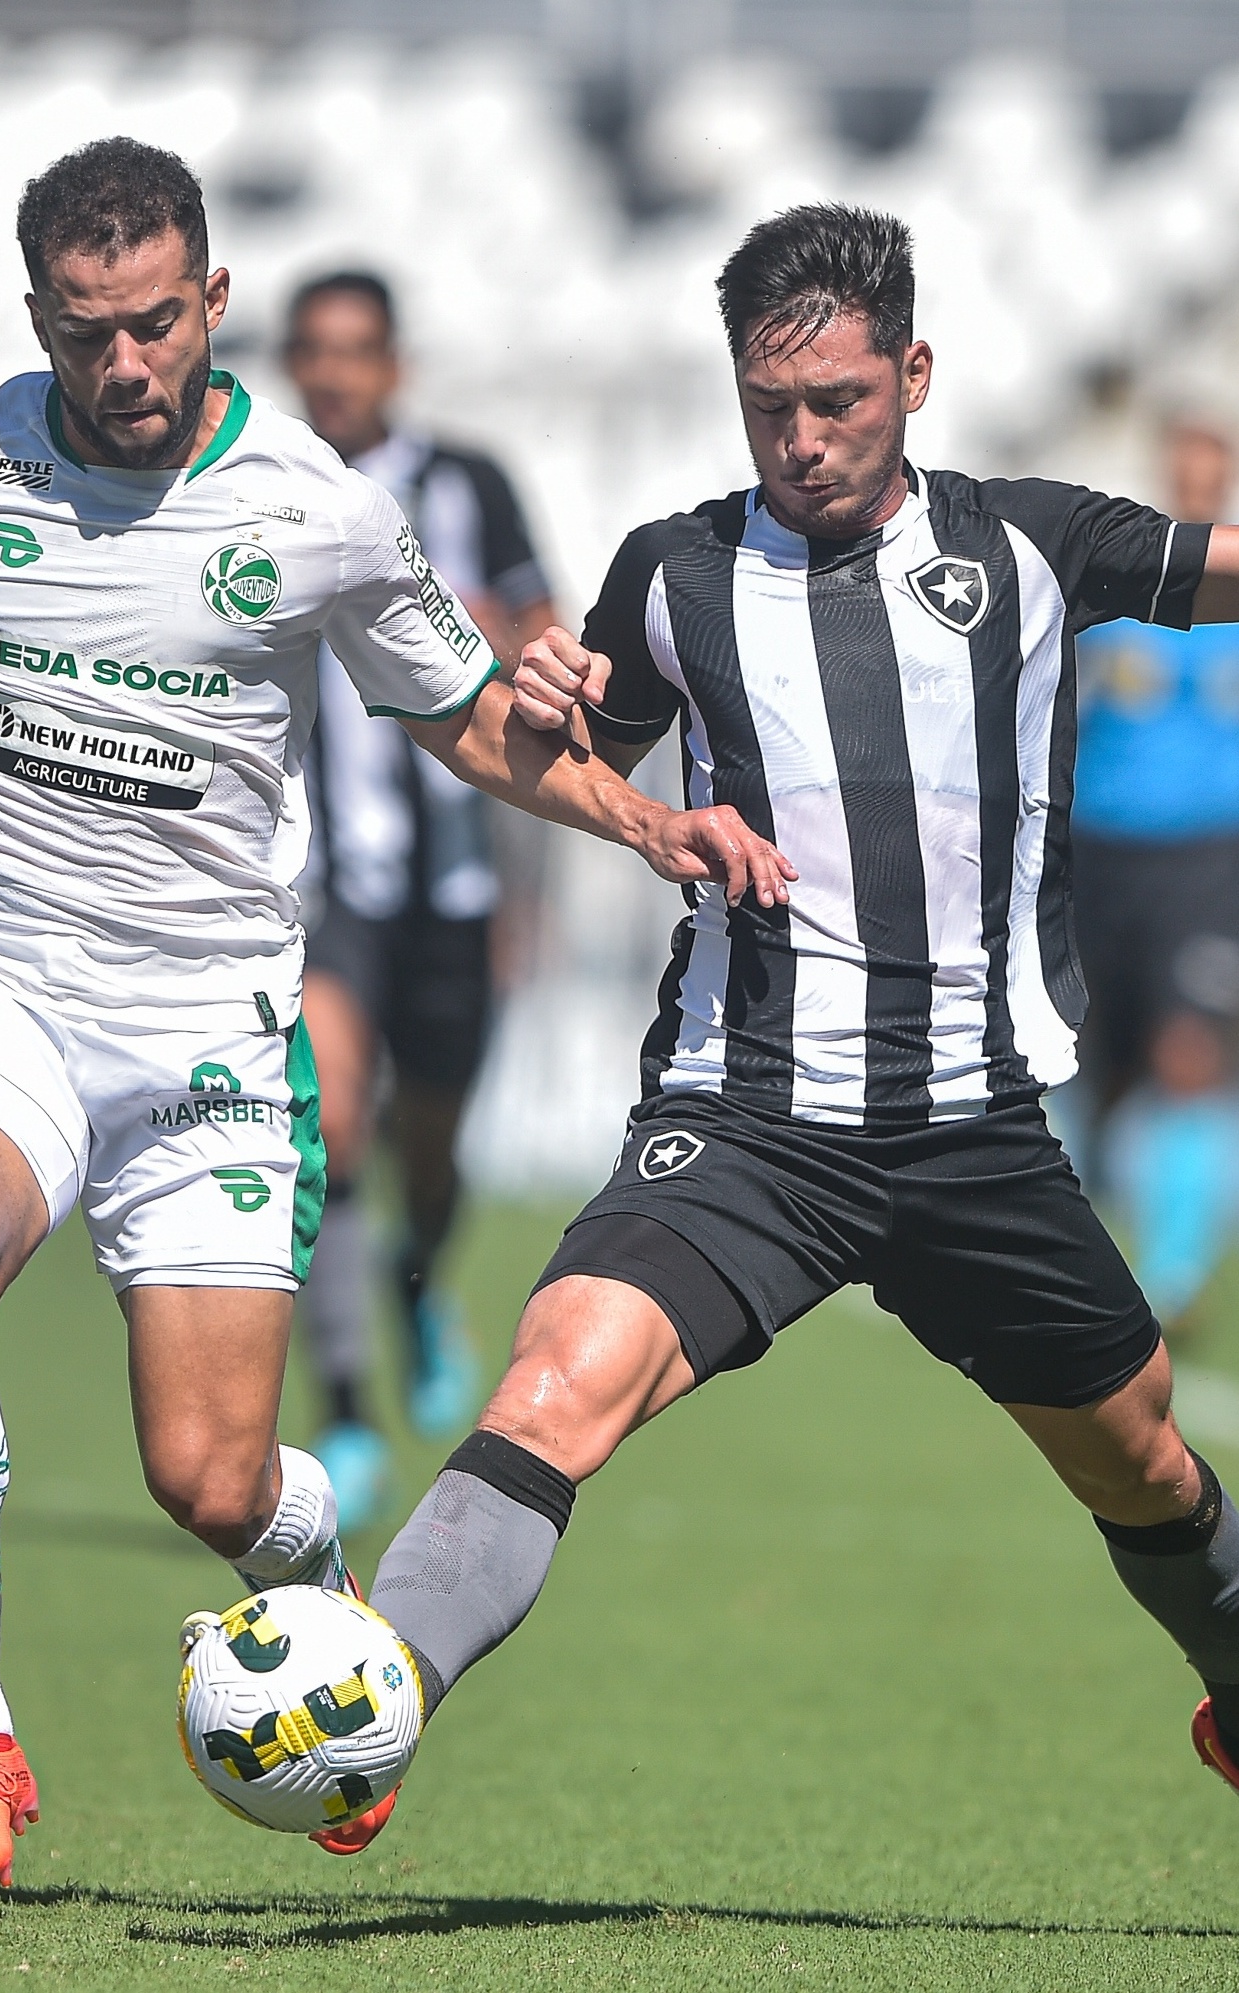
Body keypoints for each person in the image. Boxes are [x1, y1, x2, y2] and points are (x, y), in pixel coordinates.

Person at [0, 137, 781, 1900]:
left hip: (209, 1026)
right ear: (38, 321)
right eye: (88, 334)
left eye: (157, 324)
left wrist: (646, 817)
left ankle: (323, 1607)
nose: (126, 365)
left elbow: (464, 714)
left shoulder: (317, 508)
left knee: (212, 1477)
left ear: (213, 301)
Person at [362, 203, 1239, 1849]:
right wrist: (583, 748)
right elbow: (545, 748)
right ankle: (366, 1701)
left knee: (1139, 1458)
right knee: (556, 1378)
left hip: (977, 1122)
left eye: (838, 398)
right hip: (746, 1116)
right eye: (771, 405)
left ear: (912, 373)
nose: (804, 436)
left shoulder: (1035, 542)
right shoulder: (678, 572)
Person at [282, 270, 557, 1528]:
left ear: (394, 364)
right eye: (315, 351)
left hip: (451, 883)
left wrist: (503, 636)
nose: (335, 373)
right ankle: (343, 1408)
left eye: (357, 351)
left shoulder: (468, 484)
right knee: (331, 1126)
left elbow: (548, 641)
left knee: (428, 1149)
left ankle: (418, 1283)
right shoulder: (261, 485)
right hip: (322, 879)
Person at [1073, 412, 1239, 1327]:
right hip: (1101, 852)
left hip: (1209, 856)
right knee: (1102, 1068)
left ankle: (1171, 1279)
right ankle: (1087, 1230)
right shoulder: (1117, 596)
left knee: (1188, 1054)